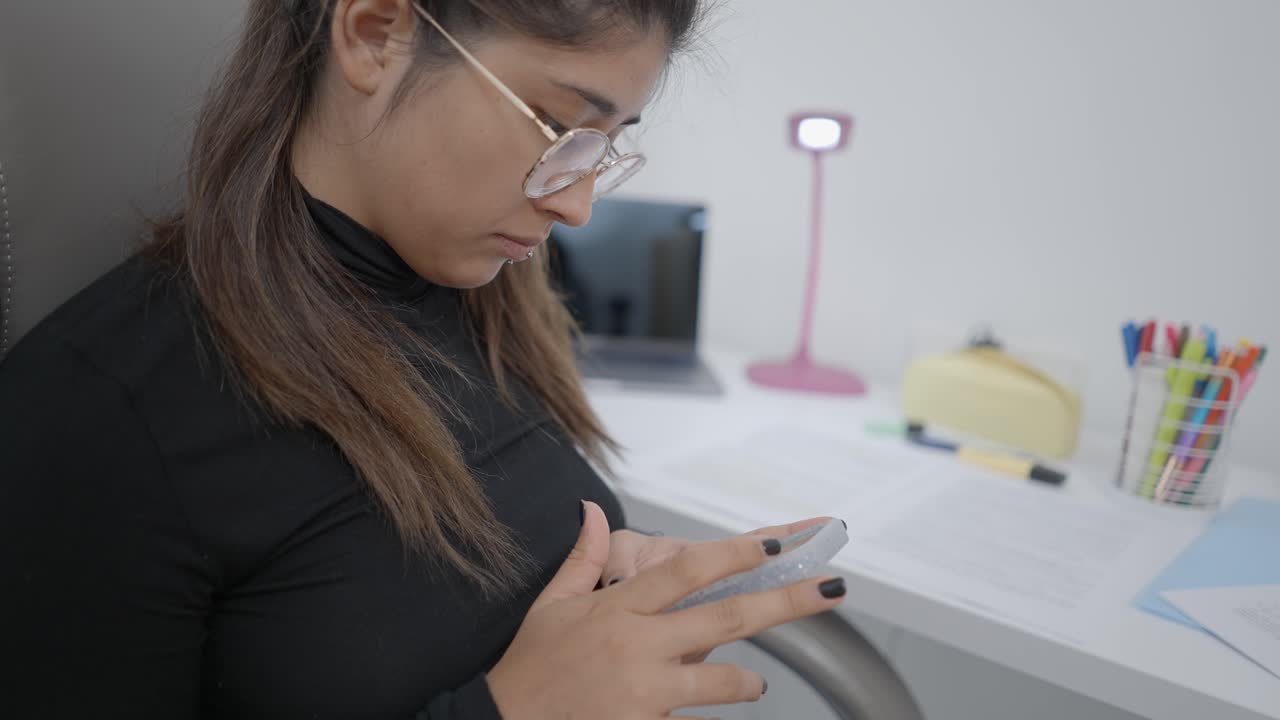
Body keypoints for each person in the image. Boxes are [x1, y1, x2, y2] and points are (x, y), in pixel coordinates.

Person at [0, 1, 849, 717]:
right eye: (560, 128)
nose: (579, 204)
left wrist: (609, 585)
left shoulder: (487, 298)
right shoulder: (100, 414)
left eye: (605, 145)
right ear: (375, 34)